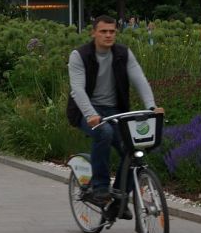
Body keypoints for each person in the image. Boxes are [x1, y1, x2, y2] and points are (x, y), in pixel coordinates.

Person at [66, 15, 165, 218]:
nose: (108, 35)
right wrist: (91, 114)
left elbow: (140, 80)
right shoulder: (80, 55)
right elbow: (78, 90)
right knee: (104, 132)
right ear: (93, 33)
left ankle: (119, 200)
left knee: (133, 150)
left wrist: (151, 106)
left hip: (115, 110)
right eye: (103, 31)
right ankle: (100, 187)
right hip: (86, 110)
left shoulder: (123, 54)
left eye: (112, 31)